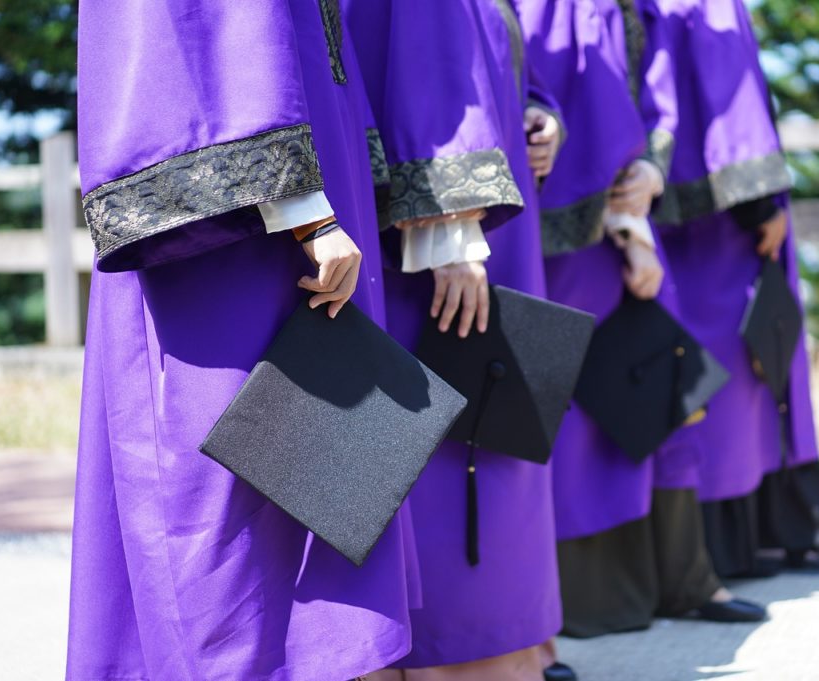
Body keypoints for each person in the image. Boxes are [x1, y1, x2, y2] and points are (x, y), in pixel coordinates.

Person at [67, 2, 421, 679]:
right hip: (234, 224)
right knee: (221, 491)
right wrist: (302, 210)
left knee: (320, 470)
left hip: (308, 182)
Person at [516, 0, 766, 647]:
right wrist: (627, 228)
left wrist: (650, 176)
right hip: (567, 236)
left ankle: (684, 576)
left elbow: (648, 96)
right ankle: (588, 598)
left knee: (664, 394)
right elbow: (579, 105)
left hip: (623, 220)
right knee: (579, 420)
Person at [344, 1, 566, 679]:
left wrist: (539, 114)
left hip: (489, 227)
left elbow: (484, 58)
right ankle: (462, 653)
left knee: (500, 440)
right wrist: (448, 226)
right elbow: (421, 56)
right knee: (450, 452)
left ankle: (516, 643)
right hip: (436, 242)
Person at [648, 0, 819, 576]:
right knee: (752, 371)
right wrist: (759, 203)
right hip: (729, 220)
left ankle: (737, 538)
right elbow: (727, 89)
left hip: (673, 213)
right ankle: (796, 523)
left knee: (725, 376)